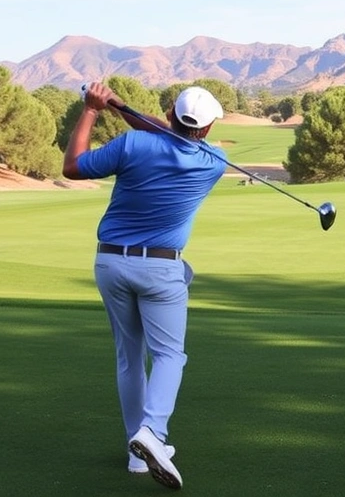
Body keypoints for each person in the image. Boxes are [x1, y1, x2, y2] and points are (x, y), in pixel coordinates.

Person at [62, 82, 228, 490]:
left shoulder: (132, 144)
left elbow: (73, 166)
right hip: (161, 270)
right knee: (169, 355)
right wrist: (121, 107)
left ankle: (138, 456)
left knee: (129, 358)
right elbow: (174, 135)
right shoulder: (214, 161)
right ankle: (152, 432)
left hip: (110, 263)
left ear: (170, 113)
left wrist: (94, 109)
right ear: (207, 129)